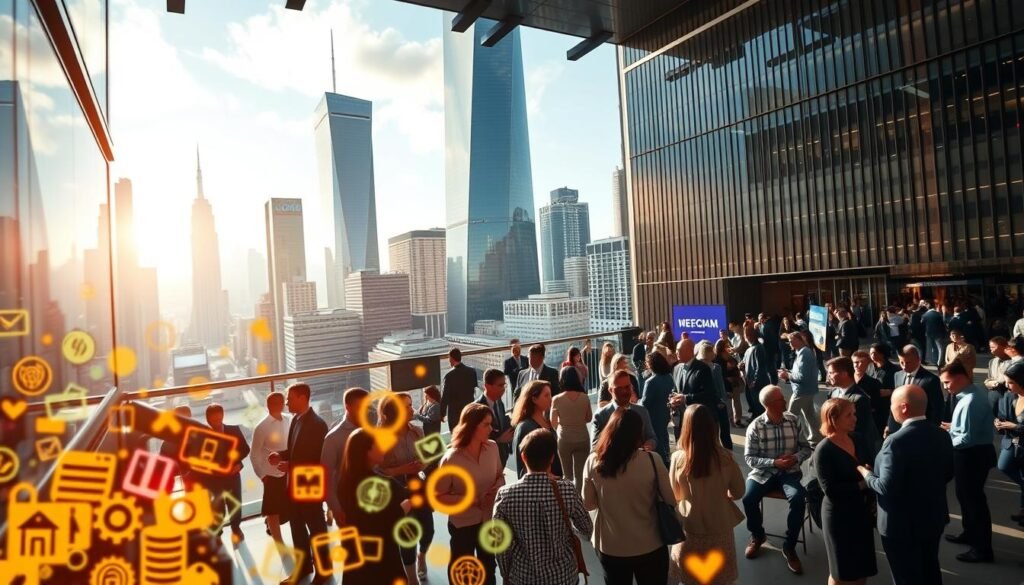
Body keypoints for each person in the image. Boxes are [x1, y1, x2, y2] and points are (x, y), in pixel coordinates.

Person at [857, 385, 954, 585]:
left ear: (903, 407)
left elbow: (885, 487)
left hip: (901, 525)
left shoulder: (895, 442)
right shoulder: (941, 434)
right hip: (932, 517)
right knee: (930, 569)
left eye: (892, 404)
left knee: (905, 576)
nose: (890, 408)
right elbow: (948, 472)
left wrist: (866, 474)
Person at [582, 409, 676, 585]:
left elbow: (588, 504)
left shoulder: (594, 461)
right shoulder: (652, 460)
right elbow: (670, 499)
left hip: (611, 545)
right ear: (638, 433)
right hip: (650, 543)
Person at [493, 429, 593, 585]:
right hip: (564, 576)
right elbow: (586, 528)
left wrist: (506, 572)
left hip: (524, 577)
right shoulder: (566, 489)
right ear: (552, 458)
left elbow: (500, 544)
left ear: (523, 457)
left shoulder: (505, 495)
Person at [669, 405, 744, 585]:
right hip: (720, 526)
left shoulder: (678, 458)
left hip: (689, 527)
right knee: (720, 577)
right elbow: (738, 492)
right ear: (712, 427)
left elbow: (674, 495)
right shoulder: (726, 457)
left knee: (690, 578)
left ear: (686, 428)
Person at [742, 385, 812, 575]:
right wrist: (774, 462)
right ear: (770, 404)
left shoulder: (794, 420)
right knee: (748, 499)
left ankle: (789, 546)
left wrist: (794, 458)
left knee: (798, 499)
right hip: (763, 472)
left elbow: (806, 448)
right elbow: (749, 458)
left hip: (790, 472)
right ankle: (758, 536)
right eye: (781, 399)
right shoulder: (755, 426)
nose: (785, 400)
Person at [435, 403, 505, 585]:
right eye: (486, 424)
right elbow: (438, 496)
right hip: (462, 524)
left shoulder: (493, 448)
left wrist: (497, 487)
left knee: (488, 568)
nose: (491, 429)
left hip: (489, 520)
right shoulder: (452, 458)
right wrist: (470, 500)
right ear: (471, 426)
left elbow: (500, 476)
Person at [268, 383, 330, 585]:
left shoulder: (318, 425)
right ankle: (304, 567)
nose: (286, 403)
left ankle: (324, 571)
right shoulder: (295, 420)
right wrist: (281, 455)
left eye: (290, 398)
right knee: (297, 528)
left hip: (310, 486)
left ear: (303, 398)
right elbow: (295, 451)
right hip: (294, 486)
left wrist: (291, 466)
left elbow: (318, 459)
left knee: (316, 530)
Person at [812, 399, 878, 585]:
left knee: (862, 566)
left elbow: (870, 464)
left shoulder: (858, 438)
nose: (855, 418)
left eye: (854, 414)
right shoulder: (823, 450)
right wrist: (863, 484)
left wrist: (870, 471)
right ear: (833, 419)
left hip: (861, 512)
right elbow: (831, 490)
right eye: (849, 415)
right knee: (841, 572)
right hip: (839, 517)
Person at [939, 360, 996, 562]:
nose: (945, 387)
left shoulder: (970, 401)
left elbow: (967, 439)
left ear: (961, 378)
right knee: (965, 497)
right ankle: (970, 533)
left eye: (947, 382)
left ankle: (982, 549)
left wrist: (945, 441)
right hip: (972, 453)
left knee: (973, 502)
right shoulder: (970, 394)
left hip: (972, 455)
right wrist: (953, 428)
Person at [338, 427, 410, 585]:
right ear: (367, 451)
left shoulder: (345, 482)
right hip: (381, 557)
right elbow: (388, 520)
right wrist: (406, 507)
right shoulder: (383, 485)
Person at [375, 393, 427, 582]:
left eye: (411, 405)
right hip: (397, 491)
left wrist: (423, 464)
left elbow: (426, 457)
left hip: (419, 486)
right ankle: (412, 578)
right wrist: (403, 469)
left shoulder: (417, 431)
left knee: (428, 530)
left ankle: (422, 556)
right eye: (407, 406)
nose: (412, 410)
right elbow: (377, 470)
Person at [203, 403, 251, 545]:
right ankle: (218, 533)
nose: (217, 423)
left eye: (219, 419)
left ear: (223, 416)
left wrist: (238, 464)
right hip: (214, 478)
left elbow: (245, 449)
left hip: (233, 475)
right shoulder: (203, 435)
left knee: (235, 504)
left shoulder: (234, 430)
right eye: (214, 420)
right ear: (208, 420)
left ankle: (236, 529)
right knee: (217, 507)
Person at [320, 387, 368, 525]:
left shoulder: (369, 430)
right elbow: (325, 477)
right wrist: (335, 508)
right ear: (348, 407)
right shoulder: (333, 437)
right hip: (348, 504)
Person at [251, 392, 290, 551]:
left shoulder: (289, 419)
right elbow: (254, 454)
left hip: (288, 470)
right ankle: (279, 542)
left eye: (281, 401)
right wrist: (262, 475)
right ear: (268, 405)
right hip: (271, 475)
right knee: (272, 510)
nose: (279, 405)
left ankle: (270, 525)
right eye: (275, 402)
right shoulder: (261, 427)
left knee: (288, 506)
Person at [826, 357, 880, 458]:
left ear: (844, 373)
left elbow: (861, 432)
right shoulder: (832, 393)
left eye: (831, 373)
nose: (828, 376)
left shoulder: (860, 399)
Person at [592, 370, 657, 451]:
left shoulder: (642, 412)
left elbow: (652, 437)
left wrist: (650, 444)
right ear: (610, 390)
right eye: (619, 388)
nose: (624, 391)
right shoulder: (601, 416)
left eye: (627, 387)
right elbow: (595, 448)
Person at [886, 345, 944, 434]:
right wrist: (889, 426)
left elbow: (937, 408)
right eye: (901, 362)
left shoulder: (931, 380)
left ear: (918, 360)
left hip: (921, 429)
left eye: (908, 362)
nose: (904, 366)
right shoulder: (897, 375)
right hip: (898, 428)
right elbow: (894, 403)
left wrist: (931, 430)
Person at [551, 366, 593, 487]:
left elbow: (553, 422)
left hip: (564, 438)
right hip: (582, 437)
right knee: (580, 475)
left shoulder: (556, 399)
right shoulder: (585, 397)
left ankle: (567, 495)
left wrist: (561, 426)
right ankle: (580, 496)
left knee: (567, 474)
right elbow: (589, 418)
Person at [511, 380, 561, 479]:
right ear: (534, 399)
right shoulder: (525, 427)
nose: (550, 399)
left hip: (556, 479)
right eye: (546, 395)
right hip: (537, 482)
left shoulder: (548, 422)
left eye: (550, 395)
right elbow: (522, 462)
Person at [779, 330, 821, 446]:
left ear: (799, 340)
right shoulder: (804, 352)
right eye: (789, 341)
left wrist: (787, 375)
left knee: (790, 416)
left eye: (791, 341)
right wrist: (789, 372)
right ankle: (815, 438)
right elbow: (801, 373)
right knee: (809, 415)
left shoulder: (804, 353)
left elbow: (802, 376)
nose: (790, 344)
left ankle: (790, 439)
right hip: (807, 390)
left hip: (802, 391)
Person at [995, 360, 1024, 526]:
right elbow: (1001, 415)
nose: (1007, 386)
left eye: (1011, 382)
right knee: (1003, 466)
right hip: (1010, 442)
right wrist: (998, 423)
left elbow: (1016, 424)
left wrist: (1016, 427)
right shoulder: (1008, 396)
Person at [640, 350, 677, 466]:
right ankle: (666, 460)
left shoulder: (650, 382)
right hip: (665, 413)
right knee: (664, 437)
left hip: (653, 416)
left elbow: (644, 404)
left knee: (656, 440)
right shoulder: (669, 377)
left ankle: (660, 463)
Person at [474, 368, 515, 469]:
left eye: (504, 385)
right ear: (487, 386)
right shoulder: (476, 409)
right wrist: (498, 440)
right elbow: (475, 440)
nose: (504, 389)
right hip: (485, 461)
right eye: (500, 385)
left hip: (501, 457)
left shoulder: (499, 403)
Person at [697, 340, 733, 449]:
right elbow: (720, 385)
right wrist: (723, 399)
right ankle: (726, 450)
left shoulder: (697, 367)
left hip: (705, 402)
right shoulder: (715, 367)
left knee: (711, 429)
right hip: (718, 402)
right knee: (723, 428)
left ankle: (713, 448)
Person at [852, 350, 889, 442]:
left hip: (867, 422)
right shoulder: (847, 380)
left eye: (862, 363)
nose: (859, 365)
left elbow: (880, 407)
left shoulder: (874, 383)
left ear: (868, 365)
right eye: (856, 362)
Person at [440, 348, 478, 432]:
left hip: (455, 413)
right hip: (469, 409)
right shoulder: (472, 371)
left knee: (456, 434)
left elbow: (445, 396)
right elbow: (474, 387)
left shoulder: (449, 376)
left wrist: (442, 413)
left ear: (451, 359)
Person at [715, 339, 745, 428]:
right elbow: (721, 372)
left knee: (736, 402)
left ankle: (737, 420)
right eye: (727, 346)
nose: (729, 347)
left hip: (734, 382)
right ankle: (731, 420)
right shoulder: (718, 359)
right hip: (726, 383)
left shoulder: (728, 357)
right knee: (729, 403)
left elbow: (735, 365)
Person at [741, 325, 769, 419]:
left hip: (757, 383)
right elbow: (744, 362)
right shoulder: (749, 349)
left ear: (748, 336)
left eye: (745, 335)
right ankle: (755, 416)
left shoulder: (758, 348)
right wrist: (741, 365)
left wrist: (755, 381)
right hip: (750, 382)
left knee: (759, 405)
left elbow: (760, 367)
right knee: (753, 403)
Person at [922, 302, 948, 366]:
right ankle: (939, 362)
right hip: (938, 334)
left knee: (931, 348)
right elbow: (943, 324)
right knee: (940, 348)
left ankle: (932, 360)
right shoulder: (938, 314)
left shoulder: (925, 315)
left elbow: (922, 324)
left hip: (928, 333)